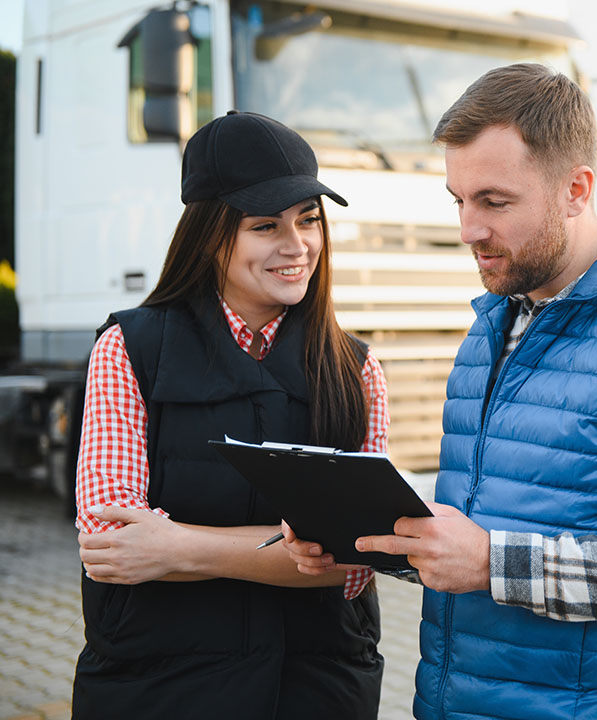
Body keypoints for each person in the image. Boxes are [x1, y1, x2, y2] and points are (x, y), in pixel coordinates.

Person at [287, 63, 597, 718]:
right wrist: (355, 527)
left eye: (494, 202)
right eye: (459, 200)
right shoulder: (488, 330)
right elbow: (488, 518)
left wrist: (493, 564)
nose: (468, 229)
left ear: (575, 190)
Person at [72, 111, 387, 719]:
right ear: (211, 235)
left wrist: (179, 547)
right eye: (266, 225)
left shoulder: (357, 370)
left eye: (309, 219)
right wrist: (293, 551)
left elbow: (355, 564)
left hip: (316, 691)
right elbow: (113, 545)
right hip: (159, 691)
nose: (297, 246)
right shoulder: (129, 350)